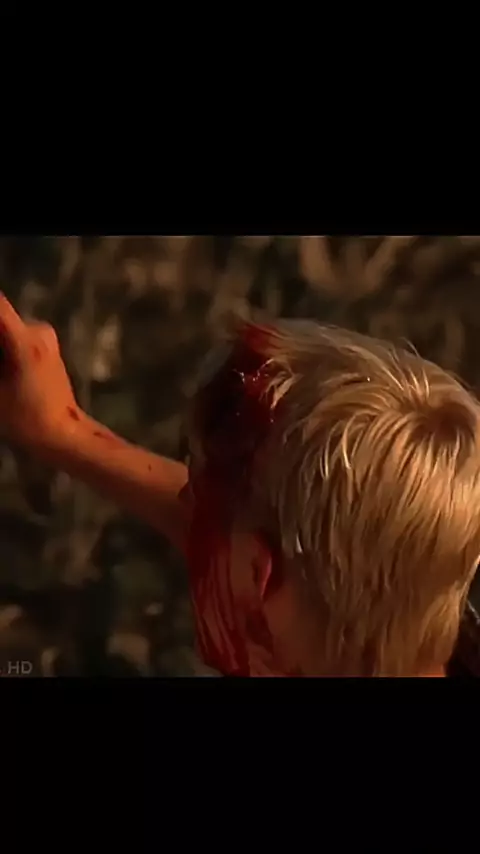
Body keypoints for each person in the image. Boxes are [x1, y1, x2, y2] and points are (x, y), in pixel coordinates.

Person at [0, 292, 479, 678]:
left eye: (196, 495)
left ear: (256, 575)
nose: (185, 501)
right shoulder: (423, 595)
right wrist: (63, 430)